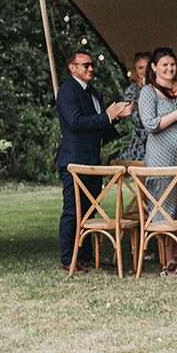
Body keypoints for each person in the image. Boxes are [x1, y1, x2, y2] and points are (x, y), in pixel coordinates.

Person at [55, 51, 131, 272]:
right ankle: (68, 259)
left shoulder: (91, 91)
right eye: (85, 65)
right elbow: (76, 122)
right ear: (72, 67)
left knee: (89, 209)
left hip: (91, 159)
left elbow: (97, 124)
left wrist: (116, 116)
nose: (90, 69)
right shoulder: (68, 91)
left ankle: (85, 256)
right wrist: (108, 116)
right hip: (74, 160)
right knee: (72, 210)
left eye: (91, 65)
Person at [138, 47, 177, 275]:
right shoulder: (148, 92)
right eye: (164, 64)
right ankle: (168, 262)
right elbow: (151, 124)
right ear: (154, 67)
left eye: (173, 64)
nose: (170, 68)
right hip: (162, 159)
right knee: (165, 209)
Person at [118, 52, 150, 162]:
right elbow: (139, 119)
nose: (145, 71)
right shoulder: (132, 91)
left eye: (147, 67)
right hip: (143, 141)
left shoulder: (160, 87)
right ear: (135, 71)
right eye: (141, 68)